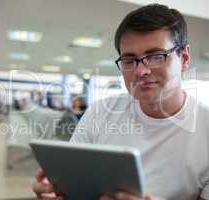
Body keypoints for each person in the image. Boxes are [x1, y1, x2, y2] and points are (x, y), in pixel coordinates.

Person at [32, 4, 209, 200]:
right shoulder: (100, 112)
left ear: (184, 58)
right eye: (129, 60)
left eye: (155, 56)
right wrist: (56, 192)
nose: (141, 71)